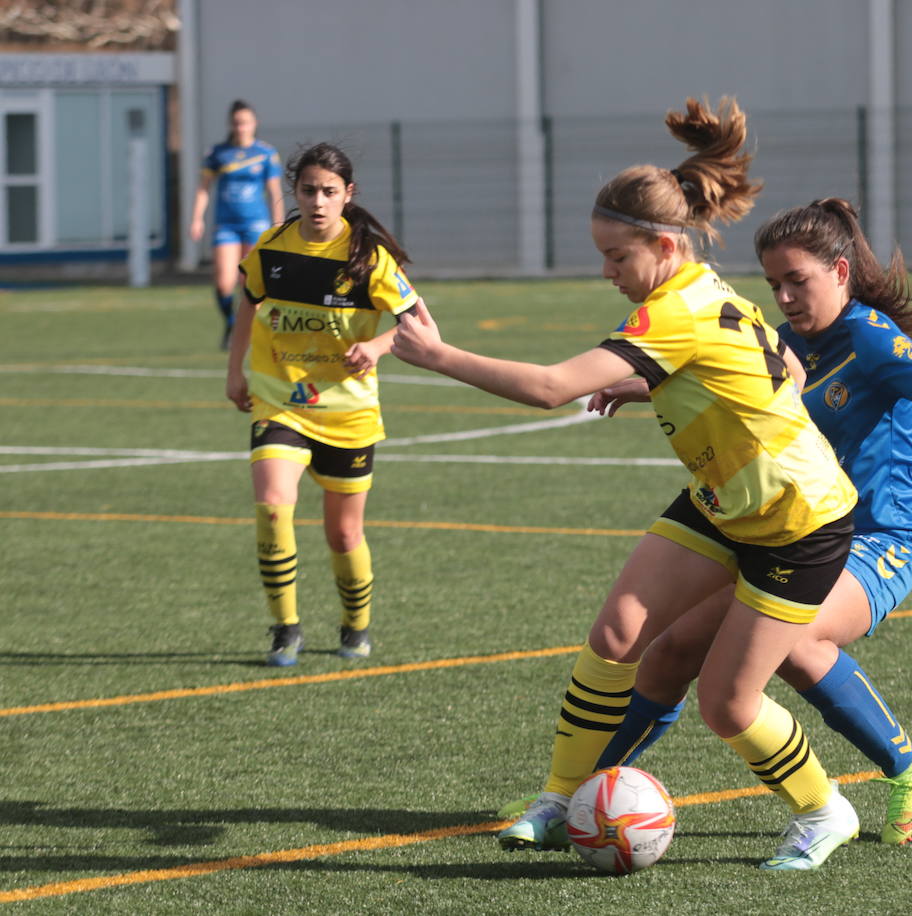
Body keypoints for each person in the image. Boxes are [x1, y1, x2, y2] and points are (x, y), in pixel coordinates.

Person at [392, 97, 863, 871]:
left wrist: (440, 357)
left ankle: (823, 809)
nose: (607, 272)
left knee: (728, 704)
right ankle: (557, 798)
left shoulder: (673, 312)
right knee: (617, 634)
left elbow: (551, 387)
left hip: (797, 523)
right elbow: (786, 367)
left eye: (617, 257)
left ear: (661, 243)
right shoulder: (704, 290)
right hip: (726, 504)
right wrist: (655, 386)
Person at [586, 197, 912, 847]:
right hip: (788, 533)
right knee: (673, 650)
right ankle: (586, 787)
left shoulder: (872, 337)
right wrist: (642, 383)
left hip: (876, 541)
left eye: (797, 281)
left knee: (796, 642)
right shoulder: (785, 341)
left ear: (840, 271)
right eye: (774, 284)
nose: (785, 296)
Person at [224, 142, 418, 667]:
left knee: (344, 532)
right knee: (271, 507)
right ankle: (285, 628)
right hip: (279, 403)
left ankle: (356, 625)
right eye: (308, 190)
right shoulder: (273, 248)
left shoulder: (368, 259)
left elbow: (421, 324)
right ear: (295, 192)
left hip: (347, 414)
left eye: (329, 191)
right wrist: (234, 369)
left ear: (347, 195)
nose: (318, 200)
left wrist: (377, 347)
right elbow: (248, 301)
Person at [192, 100, 285, 349]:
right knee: (224, 281)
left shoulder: (265, 153)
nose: (241, 127)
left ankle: (255, 331)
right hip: (226, 225)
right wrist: (197, 218)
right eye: (236, 123)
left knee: (251, 282)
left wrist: (279, 225)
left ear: (254, 124)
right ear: (230, 125)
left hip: (256, 224)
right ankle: (231, 322)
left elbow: (274, 190)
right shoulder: (217, 153)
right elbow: (204, 188)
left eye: (245, 122)